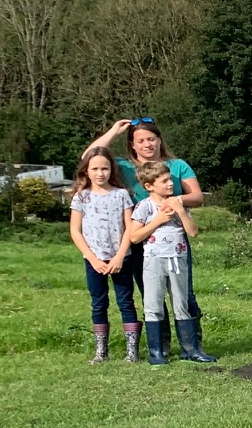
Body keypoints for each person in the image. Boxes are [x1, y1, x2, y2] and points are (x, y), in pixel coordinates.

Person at [84, 117, 209, 348]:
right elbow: (90, 157)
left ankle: (193, 346)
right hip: (139, 241)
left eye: (151, 139)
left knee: (184, 294)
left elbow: (197, 197)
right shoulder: (122, 166)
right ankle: (160, 347)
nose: (147, 145)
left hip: (174, 239)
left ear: (159, 140)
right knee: (152, 296)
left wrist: (173, 201)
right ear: (132, 144)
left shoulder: (178, 165)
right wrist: (114, 131)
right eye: (140, 140)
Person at [126, 161, 215, 365]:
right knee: (153, 305)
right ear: (149, 186)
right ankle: (156, 353)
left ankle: (190, 350)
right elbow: (134, 237)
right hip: (153, 262)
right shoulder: (144, 207)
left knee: (181, 304)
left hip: (178, 260)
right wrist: (157, 220)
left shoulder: (178, 203)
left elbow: (193, 232)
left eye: (170, 180)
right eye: (164, 181)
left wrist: (180, 211)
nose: (170, 184)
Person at [70, 146, 137, 362]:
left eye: (105, 169)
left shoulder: (122, 195)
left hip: (121, 259)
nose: (100, 173)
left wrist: (119, 256)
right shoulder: (82, 197)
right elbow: (75, 230)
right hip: (94, 260)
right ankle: (101, 352)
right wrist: (92, 258)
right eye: (95, 169)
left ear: (112, 170)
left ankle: (132, 352)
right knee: (99, 303)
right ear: (86, 171)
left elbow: (129, 227)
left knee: (125, 302)